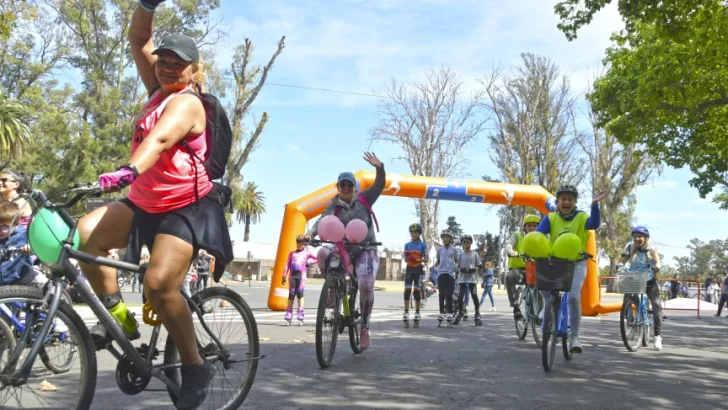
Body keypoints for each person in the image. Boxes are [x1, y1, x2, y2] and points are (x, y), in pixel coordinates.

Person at [74, 1, 233, 408]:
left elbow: (160, 139)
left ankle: (196, 365)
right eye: (163, 60)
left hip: (187, 206)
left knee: (160, 286)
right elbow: (139, 39)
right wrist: (146, 5)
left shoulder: (188, 103)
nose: (166, 67)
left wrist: (129, 169)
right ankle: (118, 321)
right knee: (86, 236)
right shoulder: (157, 90)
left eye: (177, 64)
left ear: (194, 71)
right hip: (145, 201)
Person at [304, 152, 385, 350]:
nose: (346, 188)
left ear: (355, 187)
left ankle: (364, 327)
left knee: (365, 284)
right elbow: (322, 221)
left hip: (366, 249)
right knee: (323, 253)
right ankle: (332, 288)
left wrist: (379, 167)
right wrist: (310, 235)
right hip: (344, 248)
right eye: (343, 185)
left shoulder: (365, 198)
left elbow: (379, 184)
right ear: (338, 187)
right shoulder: (334, 205)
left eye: (350, 184)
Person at [536, 185, 605, 354]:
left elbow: (594, 224)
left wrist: (595, 205)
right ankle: (550, 306)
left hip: (577, 262)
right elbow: (538, 234)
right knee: (543, 286)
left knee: (573, 297)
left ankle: (575, 337)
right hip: (556, 262)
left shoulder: (581, 216)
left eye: (570, 199)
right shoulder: (550, 218)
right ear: (557, 202)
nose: (566, 202)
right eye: (563, 199)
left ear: (574, 202)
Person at [617, 226, 663, 351]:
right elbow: (622, 260)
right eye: (635, 236)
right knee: (627, 299)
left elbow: (657, 261)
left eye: (640, 236)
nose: (637, 238)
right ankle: (630, 321)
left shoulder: (652, 249)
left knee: (656, 305)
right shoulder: (629, 247)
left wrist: (657, 267)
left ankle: (658, 336)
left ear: (645, 238)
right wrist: (620, 266)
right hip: (633, 277)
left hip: (649, 278)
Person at [505, 214, 541, 318]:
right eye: (529, 226)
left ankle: (539, 314)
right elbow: (509, 244)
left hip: (534, 269)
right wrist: (511, 251)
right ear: (524, 227)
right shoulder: (517, 235)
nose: (532, 228)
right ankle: (516, 307)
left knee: (542, 286)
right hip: (518, 269)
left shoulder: (540, 238)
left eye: (534, 226)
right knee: (509, 277)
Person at [281, 235, 317, 325]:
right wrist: (284, 275)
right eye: (298, 243)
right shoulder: (291, 253)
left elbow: (317, 258)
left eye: (301, 244)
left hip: (301, 275)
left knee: (300, 294)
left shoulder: (307, 253)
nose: (299, 245)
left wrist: (309, 263)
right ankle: (289, 313)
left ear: (304, 245)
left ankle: (300, 314)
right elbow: (287, 265)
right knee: (291, 294)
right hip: (292, 275)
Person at [0, 202, 34, 286]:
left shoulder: (23, 235)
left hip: (19, 282)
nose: (0, 231)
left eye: (5, 227)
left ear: (16, 224)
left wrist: (31, 249)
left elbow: (39, 249)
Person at [403, 223, 428, 328]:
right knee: (407, 291)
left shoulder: (423, 245)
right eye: (412, 232)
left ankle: (417, 313)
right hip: (409, 269)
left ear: (419, 233)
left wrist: (417, 259)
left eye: (416, 232)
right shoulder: (407, 245)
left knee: (416, 292)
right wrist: (408, 257)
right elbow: (405, 258)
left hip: (418, 269)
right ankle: (406, 312)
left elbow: (426, 259)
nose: (413, 234)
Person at [454, 234, 481, 325]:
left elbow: (479, 265)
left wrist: (474, 269)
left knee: (474, 295)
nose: (466, 244)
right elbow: (456, 267)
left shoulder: (474, 254)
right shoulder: (460, 255)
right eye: (464, 242)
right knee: (460, 296)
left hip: (472, 279)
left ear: (470, 243)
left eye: (468, 242)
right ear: (462, 244)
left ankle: (477, 313)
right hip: (462, 279)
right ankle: (461, 311)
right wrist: (460, 269)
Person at [435, 231, 459, 326]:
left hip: (450, 275)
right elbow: (438, 260)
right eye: (443, 237)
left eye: (447, 237)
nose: (445, 239)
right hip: (441, 274)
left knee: (449, 295)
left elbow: (457, 261)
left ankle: (449, 314)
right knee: (441, 295)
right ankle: (441, 313)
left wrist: (455, 267)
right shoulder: (440, 249)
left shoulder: (454, 249)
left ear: (450, 239)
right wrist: (433, 268)